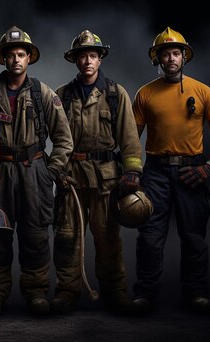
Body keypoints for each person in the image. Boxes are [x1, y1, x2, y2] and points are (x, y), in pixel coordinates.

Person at [132, 27, 210, 314]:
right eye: (166, 54)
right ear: (157, 58)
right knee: (150, 236)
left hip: (192, 172)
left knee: (194, 236)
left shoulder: (202, 91)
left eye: (176, 53)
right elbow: (132, 137)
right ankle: (145, 294)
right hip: (156, 172)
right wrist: (133, 171)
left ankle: (196, 293)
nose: (171, 58)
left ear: (184, 57)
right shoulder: (145, 93)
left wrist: (208, 166)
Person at [0, 26, 73, 315]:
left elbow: (64, 139)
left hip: (34, 170)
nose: (16, 60)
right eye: (11, 55)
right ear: (3, 59)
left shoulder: (42, 93)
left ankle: (36, 292)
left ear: (29, 58)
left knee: (35, 236)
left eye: (21, 54)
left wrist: (51, 170)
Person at [52, 30, 143, 315]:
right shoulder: (61, 96)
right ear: (75, 61)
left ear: (100, 59)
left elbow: (129, 138)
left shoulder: (116, 94)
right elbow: (55, 138)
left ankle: (115, 292)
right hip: (72, 177)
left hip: (106, 178)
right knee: (67, 236)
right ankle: (66, 291)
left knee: (108, 236)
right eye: (82, 56)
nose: (87, 61)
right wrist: (57, 170)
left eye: (92, 55)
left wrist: (132, 172)